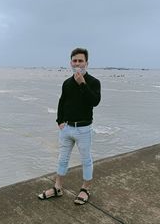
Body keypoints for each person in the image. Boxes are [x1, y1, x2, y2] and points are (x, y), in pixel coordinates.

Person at [38, 48, 101, 205]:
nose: (77, 64)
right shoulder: (66, 83)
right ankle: (57, 187)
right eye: (75, 61)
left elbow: (94, 101)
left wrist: (82, 84)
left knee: (86, 160)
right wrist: (60, 121)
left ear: (87, 63)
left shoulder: (94, 82)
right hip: (66, 128)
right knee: (62, 159)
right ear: (70, 63)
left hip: (84, 129)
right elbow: (62, 102)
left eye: (81, 61)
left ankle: (85, 189)